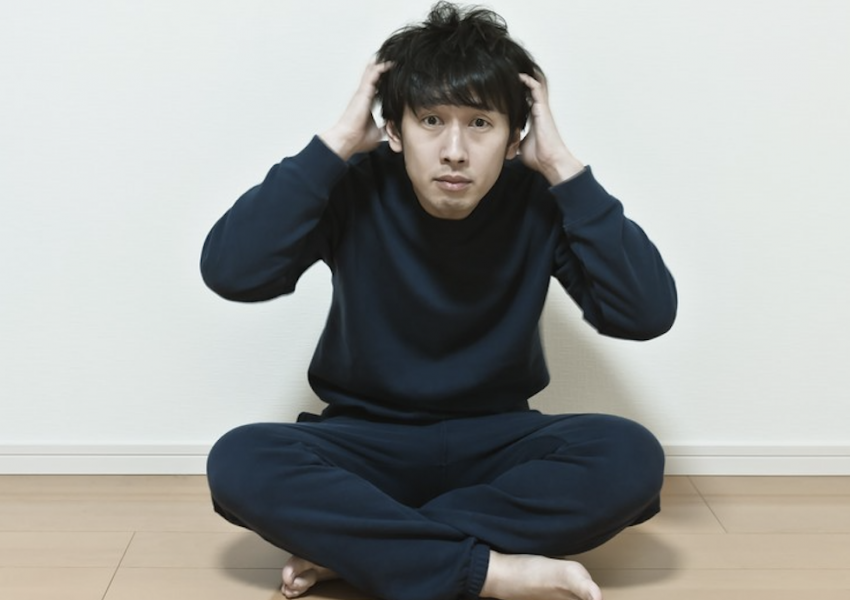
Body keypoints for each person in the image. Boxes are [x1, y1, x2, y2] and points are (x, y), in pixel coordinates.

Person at [200, 3, 677, 600]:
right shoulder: (352, 185)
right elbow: (232, 273)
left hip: (498, 442)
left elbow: (645, 314)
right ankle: (488, 571)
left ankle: (366, 550)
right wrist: (335, 145)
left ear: (513, 137)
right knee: (241, 459)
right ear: (394, 130)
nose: (454, 150)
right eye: (430, 120)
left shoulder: (541, 199)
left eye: (480, 123)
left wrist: (563, 168)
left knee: (629, 455)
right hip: (366, 443)